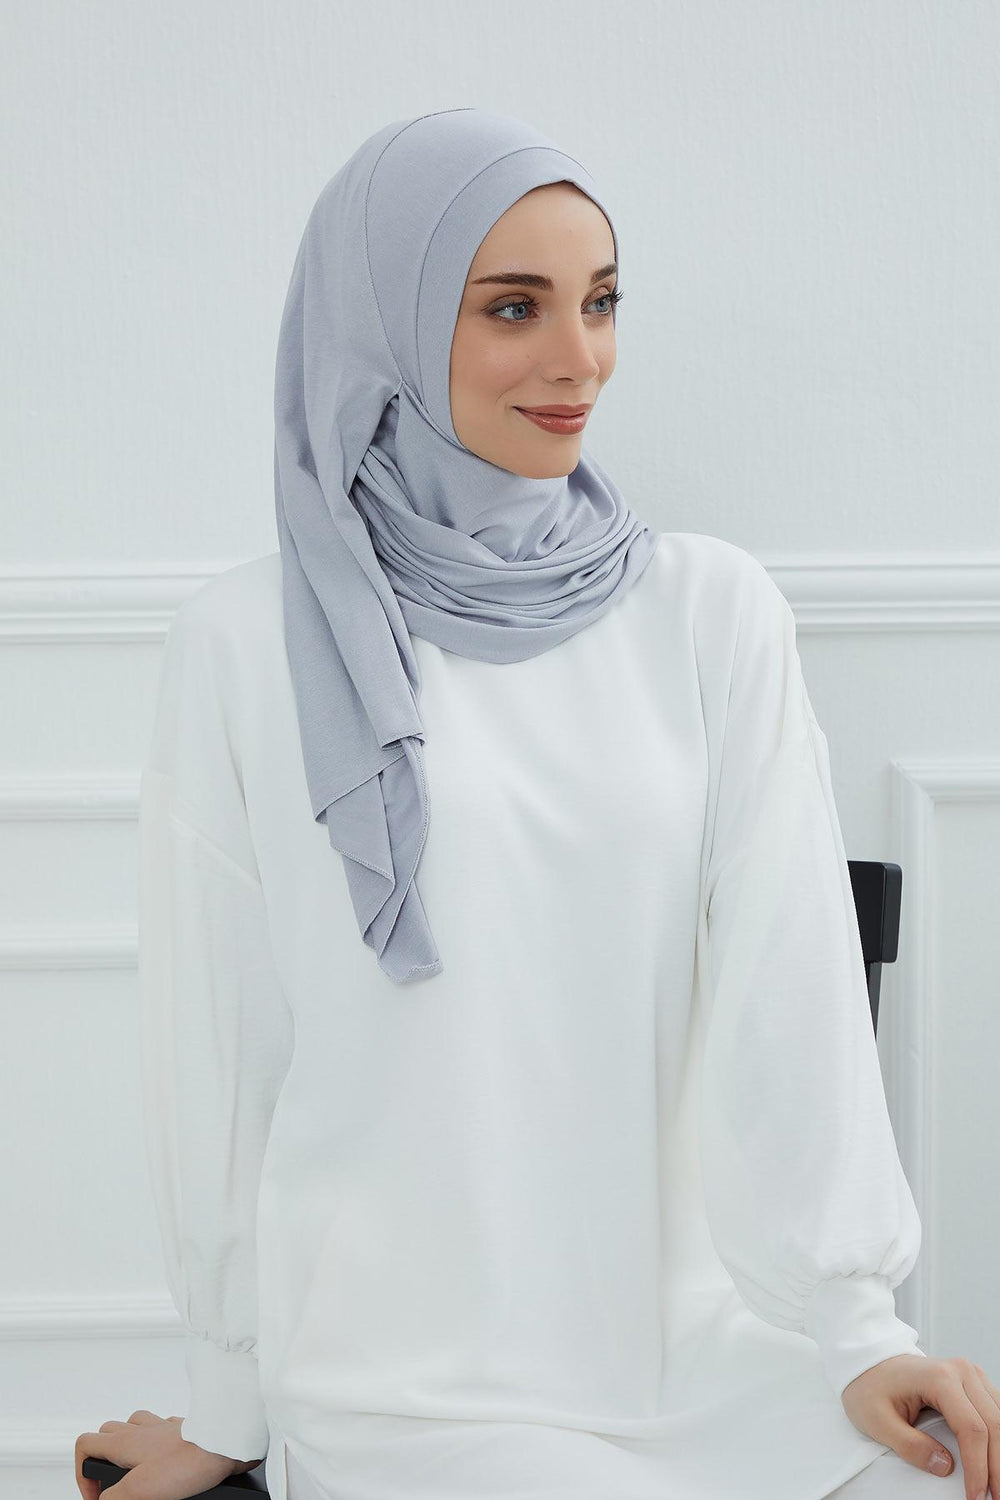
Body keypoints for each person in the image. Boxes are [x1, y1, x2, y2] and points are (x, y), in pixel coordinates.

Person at [75, 108, 999, 1500]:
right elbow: (225, 1046)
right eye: (515, 307)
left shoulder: (709, 608)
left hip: (705, 1353)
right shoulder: (247, 643)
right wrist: (227, 1398)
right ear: (380, 330)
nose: (581, 360)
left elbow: (791, 984)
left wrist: (858, 1326)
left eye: (601, 302)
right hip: (410, 1380)